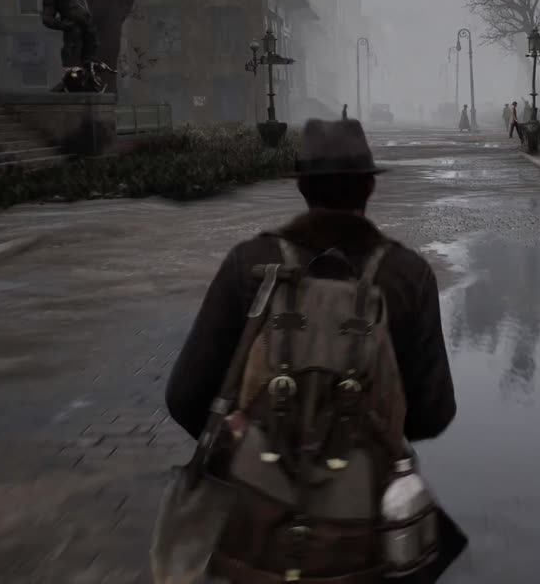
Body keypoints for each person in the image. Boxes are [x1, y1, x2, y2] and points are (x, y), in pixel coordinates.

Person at [166, 119, 461, 583]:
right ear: (369, 187)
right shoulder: (407, 274)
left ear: (302, 186)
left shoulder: (249, 264)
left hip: (256, 538)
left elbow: (185, 396)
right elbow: (433, 413)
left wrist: (246, 439)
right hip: (364, 539)